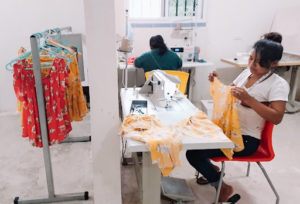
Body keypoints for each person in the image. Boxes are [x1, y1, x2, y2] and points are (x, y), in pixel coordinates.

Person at [186, 39, 289, 202]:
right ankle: (212, 170)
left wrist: (250, 100)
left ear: (274, 63)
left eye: (259, 62)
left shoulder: (278, 84)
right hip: (228, 130)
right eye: (251, 58)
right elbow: (229, 92)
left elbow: (277, 117)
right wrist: (217, 83)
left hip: (247, 140)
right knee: (193, 138)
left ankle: (222, 186)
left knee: (193, 154)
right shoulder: (247, 73)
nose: (252, 65)